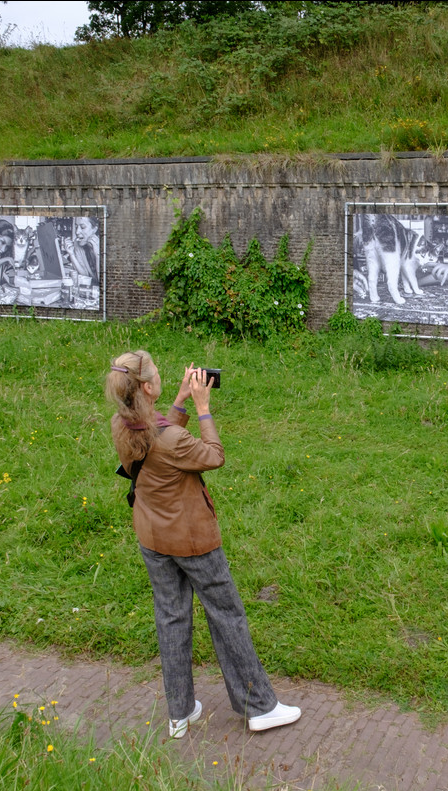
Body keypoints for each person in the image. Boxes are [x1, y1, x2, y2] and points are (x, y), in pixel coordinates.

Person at [106, 351, 301, 739]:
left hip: (152, 537)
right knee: (227, 614)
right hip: (192, 540)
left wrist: (177, 402)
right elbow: (213, 456)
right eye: (159, 375)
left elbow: (158, 441)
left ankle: (180, 713)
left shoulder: (122, 424)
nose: (164, 377)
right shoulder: (173, 437)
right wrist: (203, 409)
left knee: (171, 617)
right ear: (147, 387)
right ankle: (259, 707)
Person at [62, 216, 101, 288]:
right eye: (76, 227)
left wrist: (98, 256)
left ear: (94, 229)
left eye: (82, 227)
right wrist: (71, 254)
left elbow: (103, 283)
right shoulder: (77, 244)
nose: (77, 232)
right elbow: (85, 277)